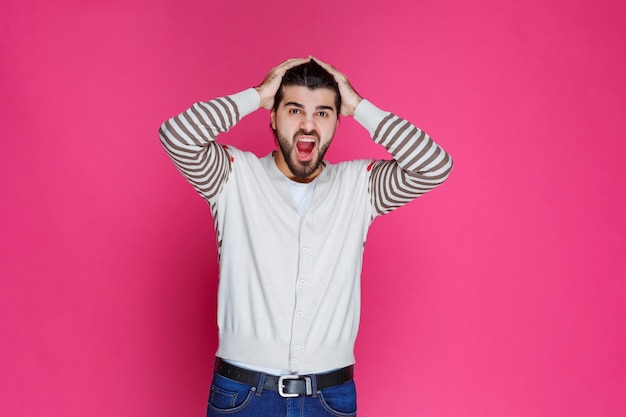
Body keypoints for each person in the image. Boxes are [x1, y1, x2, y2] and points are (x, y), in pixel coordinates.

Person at [159, 57, 453, 416]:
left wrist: (359, 106)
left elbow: (434, 165)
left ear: (336, 121)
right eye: (295, 109)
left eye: (324, 113)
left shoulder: (361, 186)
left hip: (330, 398)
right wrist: (259, 93)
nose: (308, 124)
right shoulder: (231, 177)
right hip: (242, 397)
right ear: (273, 115)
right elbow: (176, 135)